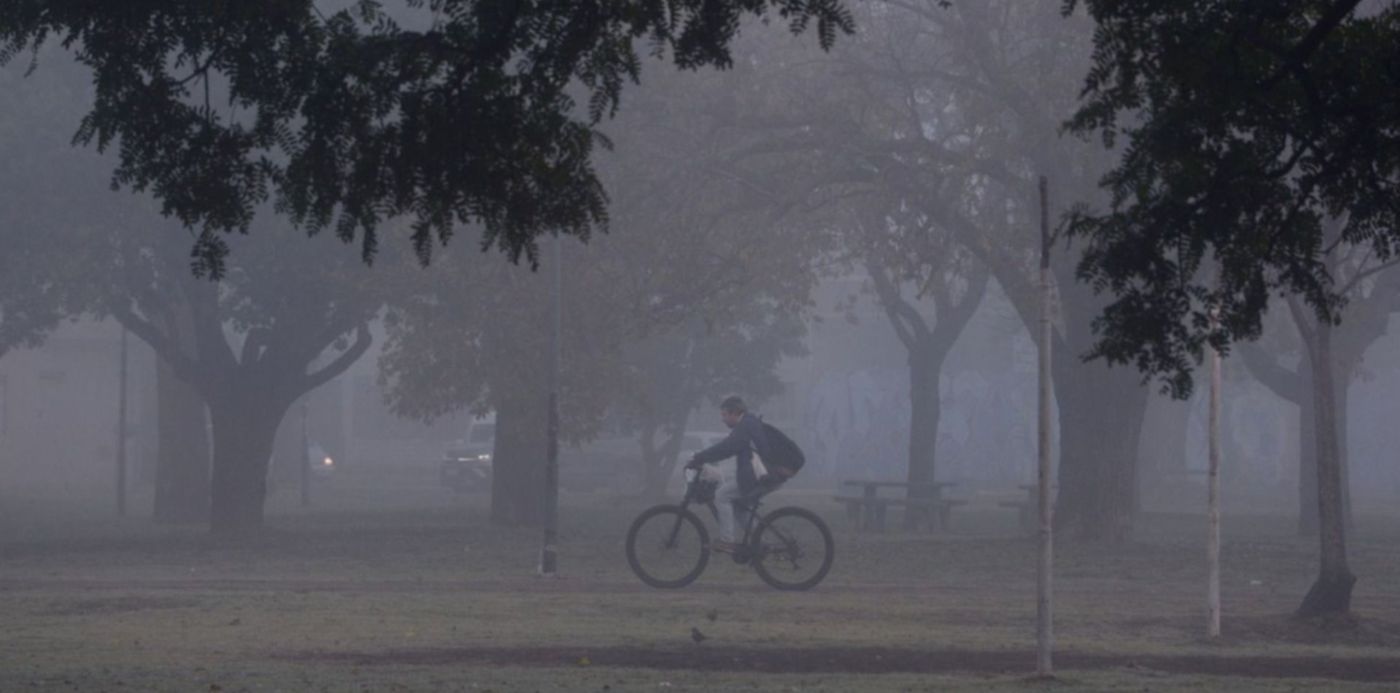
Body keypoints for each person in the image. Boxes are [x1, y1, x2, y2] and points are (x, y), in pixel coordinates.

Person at [685, 396, 783, 552]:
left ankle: (727, 540)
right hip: (765, 474)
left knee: (722, 495)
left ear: (735, 413)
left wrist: (699, 458)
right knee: (740, 509)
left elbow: (727, 448)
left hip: (762, 475)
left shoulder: (746, 426)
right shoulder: (748, 424)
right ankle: (762, 544)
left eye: (724, 415)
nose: (722, 419)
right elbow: (729, 449)